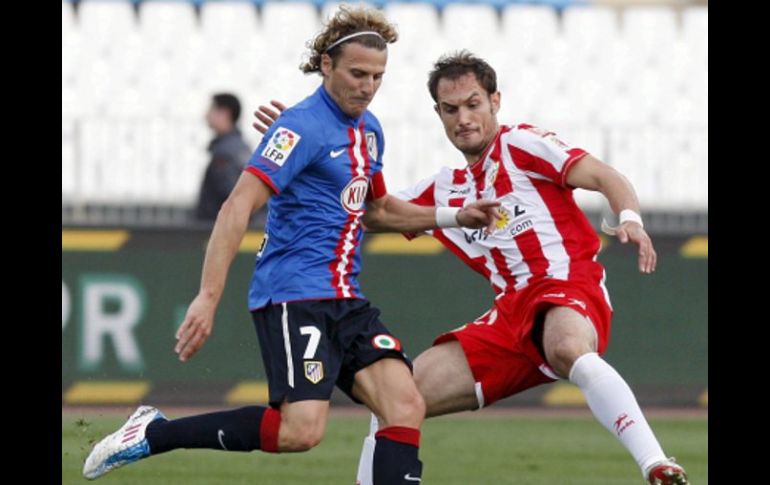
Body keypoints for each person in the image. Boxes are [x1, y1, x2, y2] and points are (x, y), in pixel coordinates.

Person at [81, 9, 500, 484]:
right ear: (327, 65)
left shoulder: (369, 131)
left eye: (377, 77)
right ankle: (154, 433)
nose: (367, 86)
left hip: (345, 298)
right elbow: (236, 207)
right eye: (357, 74)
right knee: (300, 431)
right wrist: (208, 296)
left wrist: (453, 216)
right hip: (295, 295)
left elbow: (378, 211)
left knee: (404, 404)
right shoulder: (299, 127)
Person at [253, 51, 689, 485]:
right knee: (396, 397)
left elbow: (605, 176)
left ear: (495, 101)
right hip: (509, 316)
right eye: (451, 109)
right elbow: (367, 213)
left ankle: (656, 464)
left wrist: (630, 218)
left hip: (565, 286)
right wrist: (309, 151)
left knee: (567, 346)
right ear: (439, 114)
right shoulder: (444, 189)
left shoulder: (521, 145)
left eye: (473, 104)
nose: (463, 118)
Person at [195, 93, 253, 221]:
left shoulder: (225, 153)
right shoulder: (241, 147)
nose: (206, 115)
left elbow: (231, 197)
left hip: (218, 226)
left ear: (225, 113)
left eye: (211, 109)